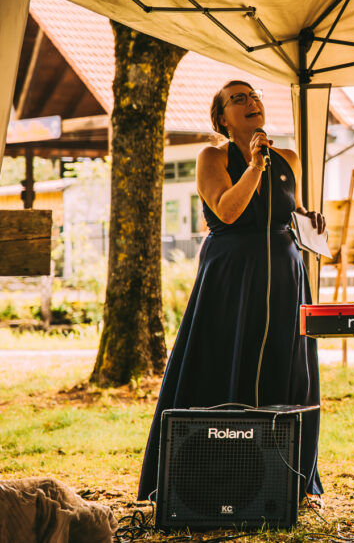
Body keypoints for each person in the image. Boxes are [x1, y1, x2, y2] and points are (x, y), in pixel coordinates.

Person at [137, 80, 324, 503]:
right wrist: (255, 166)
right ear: (222, 117)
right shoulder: (211, 157)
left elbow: (283, 207)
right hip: (231, 273)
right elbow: (228, 209)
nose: (250, 102)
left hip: (284, 272)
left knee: (288, 365)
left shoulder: (288, 157)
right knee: (225, 358)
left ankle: (292, 476)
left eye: (253, 96)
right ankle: (218, 470)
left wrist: (306, 216)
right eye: (237, 99)